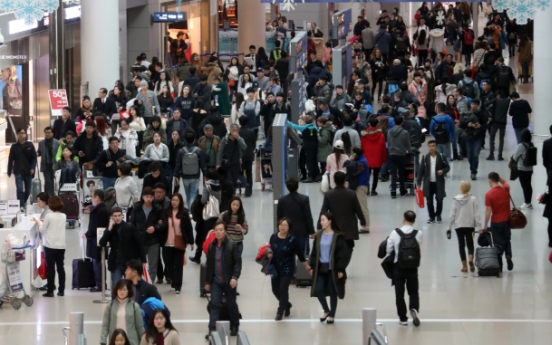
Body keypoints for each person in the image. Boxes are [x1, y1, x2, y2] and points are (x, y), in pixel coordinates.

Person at [309, 212, 352, 324]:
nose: (321, 222)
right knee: (318, 289)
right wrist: (312, 266)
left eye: (323, 220)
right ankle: (326, 310)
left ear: (330, 221)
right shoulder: (318, 235)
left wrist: (341, 269)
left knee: (333, 292)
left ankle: (332, 315)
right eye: (321, 220)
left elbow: (343, 254)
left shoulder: (338, 236)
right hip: (320, 268)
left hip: (332, 269)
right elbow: (314, 252)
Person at [204, 221, 242, 338]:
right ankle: (212, 330)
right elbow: (209, 265)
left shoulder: (232, 245)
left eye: (221, 230)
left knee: (231, 304)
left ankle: (234, 325)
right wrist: (207, 281)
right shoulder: (211, 246)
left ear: (225, 231)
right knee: (215, 305)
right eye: (216, 230)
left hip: (229, 281)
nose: (218, 232)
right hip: (216, 282)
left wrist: (235, 277)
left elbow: (237, 263)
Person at [386, 210, 422, 326]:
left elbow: (388, 250)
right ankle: (414, 308)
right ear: (414, 221)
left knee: (399, 294)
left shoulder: (395, 233)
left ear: (403, 219)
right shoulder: (418, 233)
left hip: (398, 266)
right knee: (413, 291)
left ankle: (403, 318)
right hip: (412, 266)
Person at [269, 217, 310, 320]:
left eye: (285, 225)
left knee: (283, 289)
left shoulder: (292, 240)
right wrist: (268, 254)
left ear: (289, 227)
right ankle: (287, 305)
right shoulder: (273, 237)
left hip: (288, 269)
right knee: (275, 290)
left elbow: (300, 255)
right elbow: (269, 249)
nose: (282, 227)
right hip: (275, 268)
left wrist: (307, 266)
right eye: (281, 224)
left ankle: (280, 311)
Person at [319, 172, 366, 249]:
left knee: (335, 248)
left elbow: (323, 210)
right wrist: (362, 221)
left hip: (334, 227)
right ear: (345, 181)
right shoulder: (352, 193)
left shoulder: (328, 194)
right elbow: (358, 209)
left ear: (334, 181)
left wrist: (319, 225)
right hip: (349, 228)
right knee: (348, 248)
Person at [99, 207, 145, 288]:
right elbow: (102, 243)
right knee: (116, 286)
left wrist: (143, 260)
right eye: (115, 216)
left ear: (122, 216)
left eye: (119, 215)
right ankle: (115, 300)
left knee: (131, 286)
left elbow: (139, 243)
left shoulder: (130, 227)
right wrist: (109, 229)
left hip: (129, 262)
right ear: (112, 217)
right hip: (116, 262)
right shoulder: (110, 229)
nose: (117, 218)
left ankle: (131, 301)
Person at [130, 188, 167, 282]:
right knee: (137, 264)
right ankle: (137, 283)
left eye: (151, 196)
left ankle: (150, 284)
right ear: (143, 197)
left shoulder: (158, 209)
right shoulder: (136, 208)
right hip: (139, 240)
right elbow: (132, 224)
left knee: (153, 264)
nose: (149, 199)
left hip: (153, 240)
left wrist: (155, 227)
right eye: (147, 196)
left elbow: (164, 223)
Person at [32, 196, 66, 297]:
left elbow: (42, 229)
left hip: (50, 245)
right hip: (61, 245)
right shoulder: (63, 216)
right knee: (60, 268)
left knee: (51, 268)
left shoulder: (49, 216)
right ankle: (61, 290)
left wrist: (38, 221)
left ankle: (50, 290)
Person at [447, 181, 482, 273]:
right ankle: (470, 258)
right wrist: (479, 227)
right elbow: (477, 214)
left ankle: (464, 266)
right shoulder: (473, 199)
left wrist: (449, 227)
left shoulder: (455, 200)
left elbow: (452, 215)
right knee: (470, 243)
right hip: (469, 225)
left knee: (461, 245)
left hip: (459, 225)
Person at [483, 172, 514, 271]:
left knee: (497, 244)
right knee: (507, 240)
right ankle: (508, 256)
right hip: (506, 221)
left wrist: (485, 224)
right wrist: (498, 177)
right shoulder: (506, 188)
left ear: (490, 180)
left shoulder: (489, 194)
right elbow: (505, 181)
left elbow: (488, 210)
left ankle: (499, 267)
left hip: (495, 222)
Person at [277, 178, 315, 256]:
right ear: (297, 186)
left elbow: (279, 217)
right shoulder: (304, 199)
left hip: (287, 232)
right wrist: (311, 231)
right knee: (303, 255)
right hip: (302, 232)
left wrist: (279, 231)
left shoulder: (282, 200)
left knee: (288, 254)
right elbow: (308, 216)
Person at [164, 193, 194, 294]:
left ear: (180, 202)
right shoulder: (166, 212)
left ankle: (178, 285)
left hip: (179, 242)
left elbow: (188, 228)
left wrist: (191, 241)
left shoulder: (184, 213)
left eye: (176, 200)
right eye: (173, 200)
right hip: (167, 242)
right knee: (168, 263)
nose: (174, 202)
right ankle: (173, 279)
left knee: (178, 265)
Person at [190, 168, 221, 264]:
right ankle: (214, 256)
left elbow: (203, 200)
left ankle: (198, 256)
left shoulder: (207, 186)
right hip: (216, 214)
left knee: (203, 236)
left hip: (207, 215)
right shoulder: (219, 185)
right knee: (214, 236)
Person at [100, 279, 144, 345]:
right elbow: (105, 326)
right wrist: (103, 341)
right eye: (120, 289)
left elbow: (140, 327)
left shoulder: (135, 306)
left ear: (128, 291)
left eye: (124, 290)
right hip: (115, 342)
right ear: (116, 290)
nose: (122, 292)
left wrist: (145, 340)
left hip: (132, 342)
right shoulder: (110, 306)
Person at [417, 140, 451, 224]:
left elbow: (447, 167)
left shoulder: (441, 156)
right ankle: (431, 216)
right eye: (430, 146)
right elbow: (421, 170)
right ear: (428, 147)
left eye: (433, 146)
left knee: (439, 199)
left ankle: (438, 214)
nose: (432, 148)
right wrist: (418, 182)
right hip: (428, 183)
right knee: (429, 201)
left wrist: (443, 171)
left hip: (439, 182)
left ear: (436, 147)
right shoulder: (425, 157)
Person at [83, 190, 110, 293]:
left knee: (97, 262)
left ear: (97, 198)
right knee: (98, 262)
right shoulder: (103, 209)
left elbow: (95, 226)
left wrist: (87, 234)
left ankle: (100, 284)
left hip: (97, 240)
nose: (92, 199)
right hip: (99, 239)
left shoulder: (99, 210)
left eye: (92, 197)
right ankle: (100, 283)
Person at [174, 130, 206, 208]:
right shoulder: (198, 151)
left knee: (187, 195)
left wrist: (176, 175)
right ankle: (191, 211)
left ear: (185, 140)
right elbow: (202, 164)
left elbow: (178, 164)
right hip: (195, 176)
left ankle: (189, 209)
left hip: (185, 176)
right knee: (193, 194)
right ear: (194, 140)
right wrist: (205, 174)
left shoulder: (181, 151)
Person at [8, 128, 37, 207]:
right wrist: (9, 170)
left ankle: (22, 202)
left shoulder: (30, 145)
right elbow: (11, 159)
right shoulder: (14, 146)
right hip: (18, 171)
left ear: (25, 134)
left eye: (23, 133)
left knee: (28, 190)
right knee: (20, 189)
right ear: (17, 135)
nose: (21, 135)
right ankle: (21, 205)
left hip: (28, 171)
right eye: (20, 133)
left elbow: (34, 158)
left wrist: (32, 168)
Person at [460, 100, 488, 180]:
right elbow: (461, 124)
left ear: (478, 105)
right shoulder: (466, 114)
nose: (473, 106)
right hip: (468, 136)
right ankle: (472, 168)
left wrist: (480, 126)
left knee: (475, 154)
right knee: (469, 155)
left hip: (478, 137)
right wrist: (468, 124)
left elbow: (485, 125)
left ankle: (474, 171)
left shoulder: (481, 114)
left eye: (475, 104)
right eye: (472, 104)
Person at [346, 147, 371, 233]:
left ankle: (366, 226)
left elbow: (352, 171)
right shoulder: (361, 160)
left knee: (362, 207)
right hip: (357, 185)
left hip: (361, 186)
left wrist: (350, 161)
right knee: (354, 207)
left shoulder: (361, 163)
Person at [217, 124, 248, 191]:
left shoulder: (240, 139)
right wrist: (218, 163)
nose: (235, 132)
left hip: (236, 164)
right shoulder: (225, 139)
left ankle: (232, 195)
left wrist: (238, 139)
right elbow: (220, 151)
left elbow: (244, 147)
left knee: (234, 181)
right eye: (233, 130)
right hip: (226, 164)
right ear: (230, 130)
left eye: (237, 130)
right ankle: (229, 196)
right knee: (229, 181)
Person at [360, 118, 387, 196]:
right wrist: (383, 160)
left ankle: (367, 189)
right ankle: (373, 190)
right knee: (375, 175)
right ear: (377, 124)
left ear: (369, 124)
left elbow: (361, 147)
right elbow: (383, 149)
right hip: (377, 158)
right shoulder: (381, 136)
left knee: (366, 175)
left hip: (366, 158)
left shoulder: (364, 135)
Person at [387, 115, 411, 198]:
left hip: (392, 154)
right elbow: (408, 145)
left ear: (394, 122)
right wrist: (408, 151)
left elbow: (389, 142)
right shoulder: (405, 132)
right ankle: (402, 190)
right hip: (401, 154)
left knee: (393, 174)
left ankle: (393, 191)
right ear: (402, 123)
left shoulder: (389, 132)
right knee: (401, 173)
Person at [485, 90, 510, 161]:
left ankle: (491, 154)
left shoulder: (496, 100)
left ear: (498, 95)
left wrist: (490, 113)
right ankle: (500, 155)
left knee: (492, 137)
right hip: (503, 122)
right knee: (501, 139)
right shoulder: (508, 101)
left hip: (495, 121)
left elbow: (486, 103)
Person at [513, 129, 535, 209]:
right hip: (530, 168)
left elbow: (515, 157)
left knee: (524, 186)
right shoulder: (531, 144)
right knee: (528, 185)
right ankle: (529, 202)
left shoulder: (521, 146)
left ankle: (527, 203)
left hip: (522, 169)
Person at [37, 127, 59, 197]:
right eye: (46, 133)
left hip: (55, 165)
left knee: (54, 181)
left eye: (49, 133)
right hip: (45, 165)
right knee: (48, 181)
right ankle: (48, 196)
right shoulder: (41, 143)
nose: (47, 134)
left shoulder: (57, 142)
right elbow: (39, 152)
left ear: (52, 133)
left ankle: (53, 195)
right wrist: (37, 153)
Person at [238, 116, 256, 196]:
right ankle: (249, 191)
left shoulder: (237, 132)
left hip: (240, 156)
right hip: (249, 155)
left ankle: (243, 184)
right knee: (249, 173)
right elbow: (254, 144)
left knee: (240, 172)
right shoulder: (251, 132)